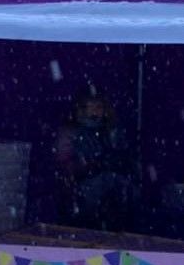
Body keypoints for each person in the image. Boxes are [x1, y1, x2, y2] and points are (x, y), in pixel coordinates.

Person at [55, 92, 133, 231]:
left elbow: (125, 156)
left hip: (111, 197)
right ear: (81, 109)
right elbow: (64, 165)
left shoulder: (111, 131)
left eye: (99, 106)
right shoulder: (70, 132)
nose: (96, 111)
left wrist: (118, 163)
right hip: (82, 195)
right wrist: (90, 165)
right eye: (91, 106)